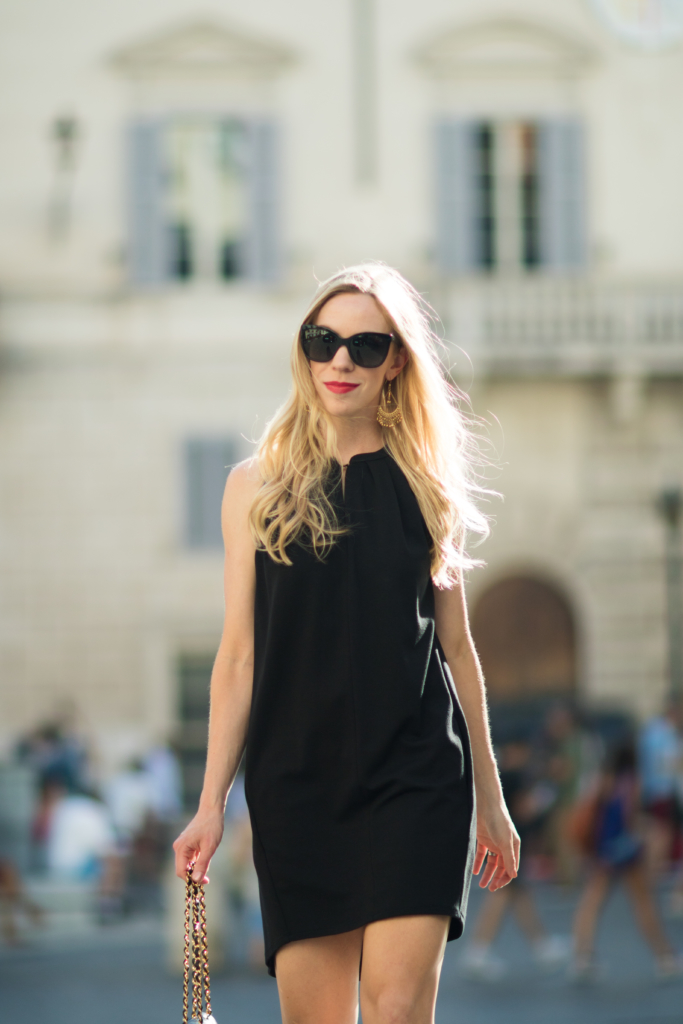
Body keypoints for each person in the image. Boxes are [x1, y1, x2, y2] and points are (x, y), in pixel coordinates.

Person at [173, 264, 519, 1024]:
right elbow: (237, 658)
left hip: (417, 776)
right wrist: (209, 806)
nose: (340, 361)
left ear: (396, 360)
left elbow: (457, 649)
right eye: (323, 341)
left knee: (395, 1010)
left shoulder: (427, 484)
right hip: (295, 785)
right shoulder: (252, 487)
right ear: (303, 350)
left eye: (366, 346)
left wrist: (490, 800)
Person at [571, 742, 682, 981]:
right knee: (643, 904)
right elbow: (631, 819)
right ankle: (664, 956)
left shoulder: (603, 780)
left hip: (604, 850)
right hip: (626, 850)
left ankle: (582, 957)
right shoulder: (632, 782)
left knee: (591, 903)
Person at [461, 739, 569, 980]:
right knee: (502, 895)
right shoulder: (513, 776)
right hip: (506, 845)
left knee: (518, 896)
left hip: (499, 843)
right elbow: (524, 809)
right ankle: (478, 951)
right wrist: (548, 795)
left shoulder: (496, 774)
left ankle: (541, 945)